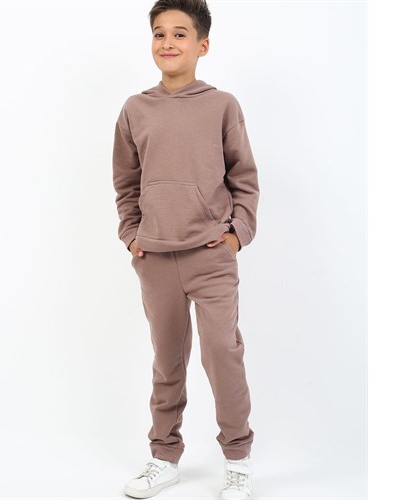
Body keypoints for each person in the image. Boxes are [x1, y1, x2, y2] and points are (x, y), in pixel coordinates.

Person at [112, 1, 259, 498]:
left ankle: (238, 459)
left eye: (180, 34)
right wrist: (132, 234)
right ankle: (163, 457)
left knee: (222, 354)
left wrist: (237, 233)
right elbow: (126, 182)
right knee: (167, 361)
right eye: (159, 33)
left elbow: (244, 178)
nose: (168, 43)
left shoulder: (222, 105)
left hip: (210, 255)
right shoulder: (135, 109)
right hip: (154, 257)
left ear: (203, 45)